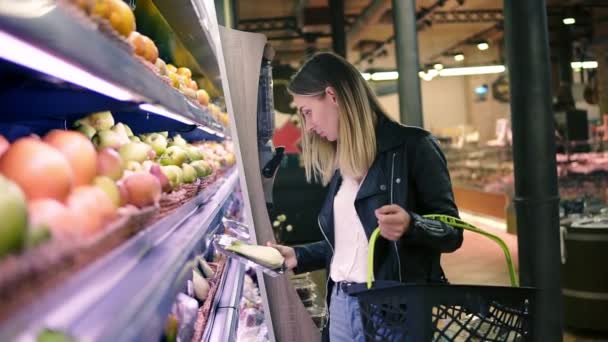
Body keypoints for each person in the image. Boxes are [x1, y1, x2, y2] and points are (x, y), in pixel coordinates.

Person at [267, 52, 463, 342]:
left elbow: (453, 233)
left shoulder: (414, 147)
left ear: (332, 96)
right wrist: (299, 255)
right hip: (342, 305)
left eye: (307, 111)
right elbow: (352, 243)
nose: (307, 126)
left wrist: (412, 225)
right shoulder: (343, 161)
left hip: (394, 313)